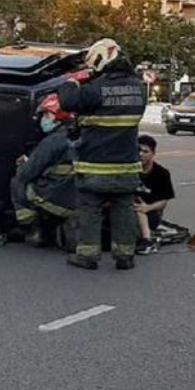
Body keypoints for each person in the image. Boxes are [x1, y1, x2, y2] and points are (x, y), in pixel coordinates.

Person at [57, 38, 147, 271]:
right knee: (124, 209)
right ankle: (125, 256)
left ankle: (87, 256)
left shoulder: (96, 89)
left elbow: (67, 102)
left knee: (89, 209)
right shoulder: (139, 88)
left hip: (95, 165)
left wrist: (72, 81)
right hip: (127, 166)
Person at [11, 94, 77, 248]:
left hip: (57, 197)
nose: (43, 119)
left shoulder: (52, 141)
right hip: (82, 198)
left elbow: (26, 174)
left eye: (47, 114)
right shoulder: (82, 135)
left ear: (57, 116)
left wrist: (25, 163)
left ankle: (33, 229)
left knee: (17, 181)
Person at [135, 134, 174, 255]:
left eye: (145, 151)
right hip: (128, 208)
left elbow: (163, 202)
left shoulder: (162, 173)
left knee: (138, 210)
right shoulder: (129, 170)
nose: (141, 154)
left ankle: (147, 240)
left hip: (151, 213)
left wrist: (147, 208)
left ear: (153, 153)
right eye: (138, 150)